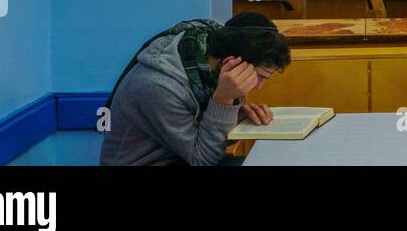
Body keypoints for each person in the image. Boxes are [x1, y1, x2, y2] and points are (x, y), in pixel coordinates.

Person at [99, 12, 292, 166]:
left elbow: (202, 142)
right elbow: (202, 159)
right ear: (230, 63)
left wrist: (235, 117)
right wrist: (223, 101)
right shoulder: (158, 85)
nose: (258, 86)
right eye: (260, 76)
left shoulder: (213, 64)